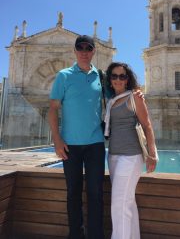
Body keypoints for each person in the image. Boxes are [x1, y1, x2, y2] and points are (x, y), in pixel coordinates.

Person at [48, 35, 105, 239]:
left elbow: (119, 91)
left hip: (96, 144)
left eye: (88, 48)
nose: (84, 51)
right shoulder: (64, 76)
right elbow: (53, 109)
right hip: (69, 144)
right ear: (74, 51)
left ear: (93, 51)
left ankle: (96, 235)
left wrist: (137, 92)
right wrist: (57, 140)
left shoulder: (100, 76)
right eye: (79, 48)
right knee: (73, 193)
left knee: (96, 193)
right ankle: (75, 235)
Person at [104, 62, 158, 239]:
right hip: (113, 155)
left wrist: (152, 154)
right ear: (110, 79)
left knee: (119, 204)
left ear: (127, 79)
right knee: (127, 202)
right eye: (114, 76)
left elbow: (147, 125)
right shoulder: (110, 100)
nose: (118, 79)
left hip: (131, 156)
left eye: (122, 76)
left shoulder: (135, 97)